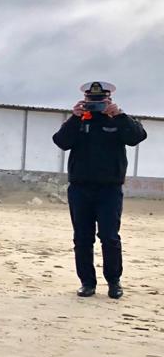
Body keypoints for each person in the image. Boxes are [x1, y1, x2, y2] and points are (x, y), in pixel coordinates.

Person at [52, 81, 147, 299]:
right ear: (84, 100)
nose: (95, 105)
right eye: (91, 101)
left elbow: (137, 137)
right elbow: (61, 142)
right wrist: (74, 117)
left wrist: (119, 115)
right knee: (82, 238)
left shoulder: (118, 120)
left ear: (109, 100)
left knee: (109, 237)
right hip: (80, 188)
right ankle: (87, 282)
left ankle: (114, 281)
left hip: (109, 189)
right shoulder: (78, 121)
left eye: (100, 101)